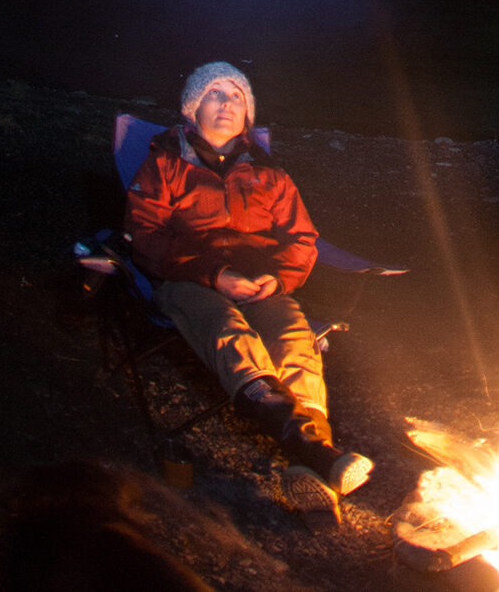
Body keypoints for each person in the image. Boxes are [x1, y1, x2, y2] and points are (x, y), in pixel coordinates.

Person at [123, 61, 372, 509]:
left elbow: (301, 239)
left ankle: (307, 456)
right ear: (193, 109)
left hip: (261, 284)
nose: (226, 104)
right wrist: (214, 275)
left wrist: (277, 279)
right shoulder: (163, 166)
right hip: (188, 281)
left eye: (236, 96)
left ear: (248, 113)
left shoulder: (269, 173)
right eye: (215, 94)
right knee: (225, 328)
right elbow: (146, 236)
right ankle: (314, 451)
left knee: (295, 338)